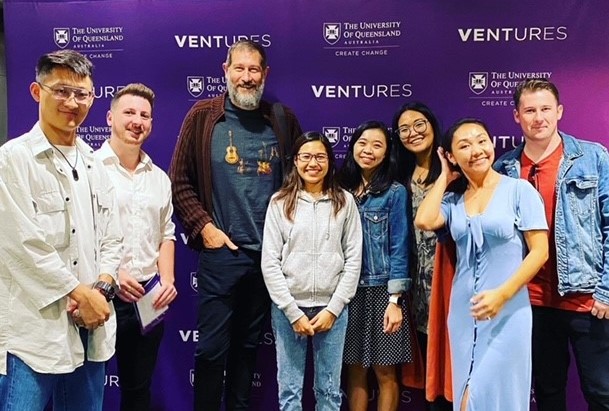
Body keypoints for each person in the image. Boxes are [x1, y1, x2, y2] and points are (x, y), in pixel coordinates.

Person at [169, 39, 302, 411]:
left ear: (265, 74)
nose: (246, 77)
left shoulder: (281, 119)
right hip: (222, 255)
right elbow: (179, 182)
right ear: (225, 70)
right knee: (211, 350)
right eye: (239, 68)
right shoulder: (203, 116)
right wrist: (205, 229)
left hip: (269, 260)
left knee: (247, 349)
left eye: (253, 69)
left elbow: (300, 183)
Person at [0, 49, 122, 411]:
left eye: (82, 94)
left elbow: (112, 237)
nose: (72, 102)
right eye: (61, 91)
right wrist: (76, 293)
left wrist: (100, 287)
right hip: (33, 335)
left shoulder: (94, 163)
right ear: (38, 92)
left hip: (91, 328)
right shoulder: (13, 160)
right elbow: (21, 245)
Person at [415, 118, 548, 411]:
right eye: (464, 145)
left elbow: (540, 252)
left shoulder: (519, 190)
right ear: (450, 156)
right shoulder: (453, 200)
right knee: (465, 396)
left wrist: (502, 294)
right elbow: (424, 220)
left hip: (509, 310)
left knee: (487, 397)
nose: (476, 150)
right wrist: (444, 178)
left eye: (481, 141)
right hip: (463, 313)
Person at [494, 78, 609, 411]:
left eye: (545, 109)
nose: (538, 117)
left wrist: (605, 291)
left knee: (602, 393)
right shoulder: (504, 169)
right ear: (517, 116)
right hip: (532, 303)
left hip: (588, 301)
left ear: (559, 111)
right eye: (529, 110)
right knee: (547, 392)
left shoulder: (593, 157)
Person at [261, 132, 362, 411]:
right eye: (306, 156)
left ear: (329, 161)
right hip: (288, 309)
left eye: (320, 156)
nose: (313, 163)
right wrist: (292, 311)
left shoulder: (345, 202)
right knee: (290, 393)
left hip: (332, 310)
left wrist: (334, 308)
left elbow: (354, 259)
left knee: (329, 392)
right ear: (295, 161)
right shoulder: (280, 202)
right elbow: (269, 262)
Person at [95, 83, 177, 411]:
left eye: (144, 115)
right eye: (129, 112)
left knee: (138, 389)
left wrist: (167, 280)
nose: (137, 120)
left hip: (147, 297)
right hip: (100, 293)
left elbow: (166, 233)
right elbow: (83, 235)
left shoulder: (159, 177)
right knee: (84, 385)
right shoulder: (89, 168)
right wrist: (114, 273)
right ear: (110, 116)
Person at [337, 120, 412, 411]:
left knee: (385, 371)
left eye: (377, 145)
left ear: (386, 153)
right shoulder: (338, 189)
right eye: (362, 143)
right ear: (353, 146)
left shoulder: (394, 193)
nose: (368, 150)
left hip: (383, 292)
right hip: (346, 292)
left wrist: (395, 300)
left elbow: (399, 247)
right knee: (354, 370)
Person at [392, 102, 452, 410]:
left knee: (453, 369)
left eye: (419, 124)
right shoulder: (399, 174)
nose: (412, 132)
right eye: (404, 128)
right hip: (415, 289)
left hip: (449, 281)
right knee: (429, 372)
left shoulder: (453, 171)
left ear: (432, 124)